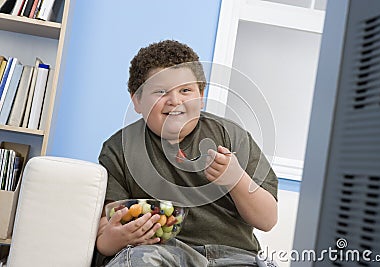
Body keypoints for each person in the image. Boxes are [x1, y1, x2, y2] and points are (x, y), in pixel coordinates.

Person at [94, 39, 278, 267]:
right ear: (137, 100)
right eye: (160, 91)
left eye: (186, 90)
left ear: (201, 96)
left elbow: (267, 219)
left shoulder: (230, 135)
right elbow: (106, 226)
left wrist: (236, 179)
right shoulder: (119, 148)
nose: (175, 101)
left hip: (236, 255)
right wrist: (110, 241)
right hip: (161, 252)